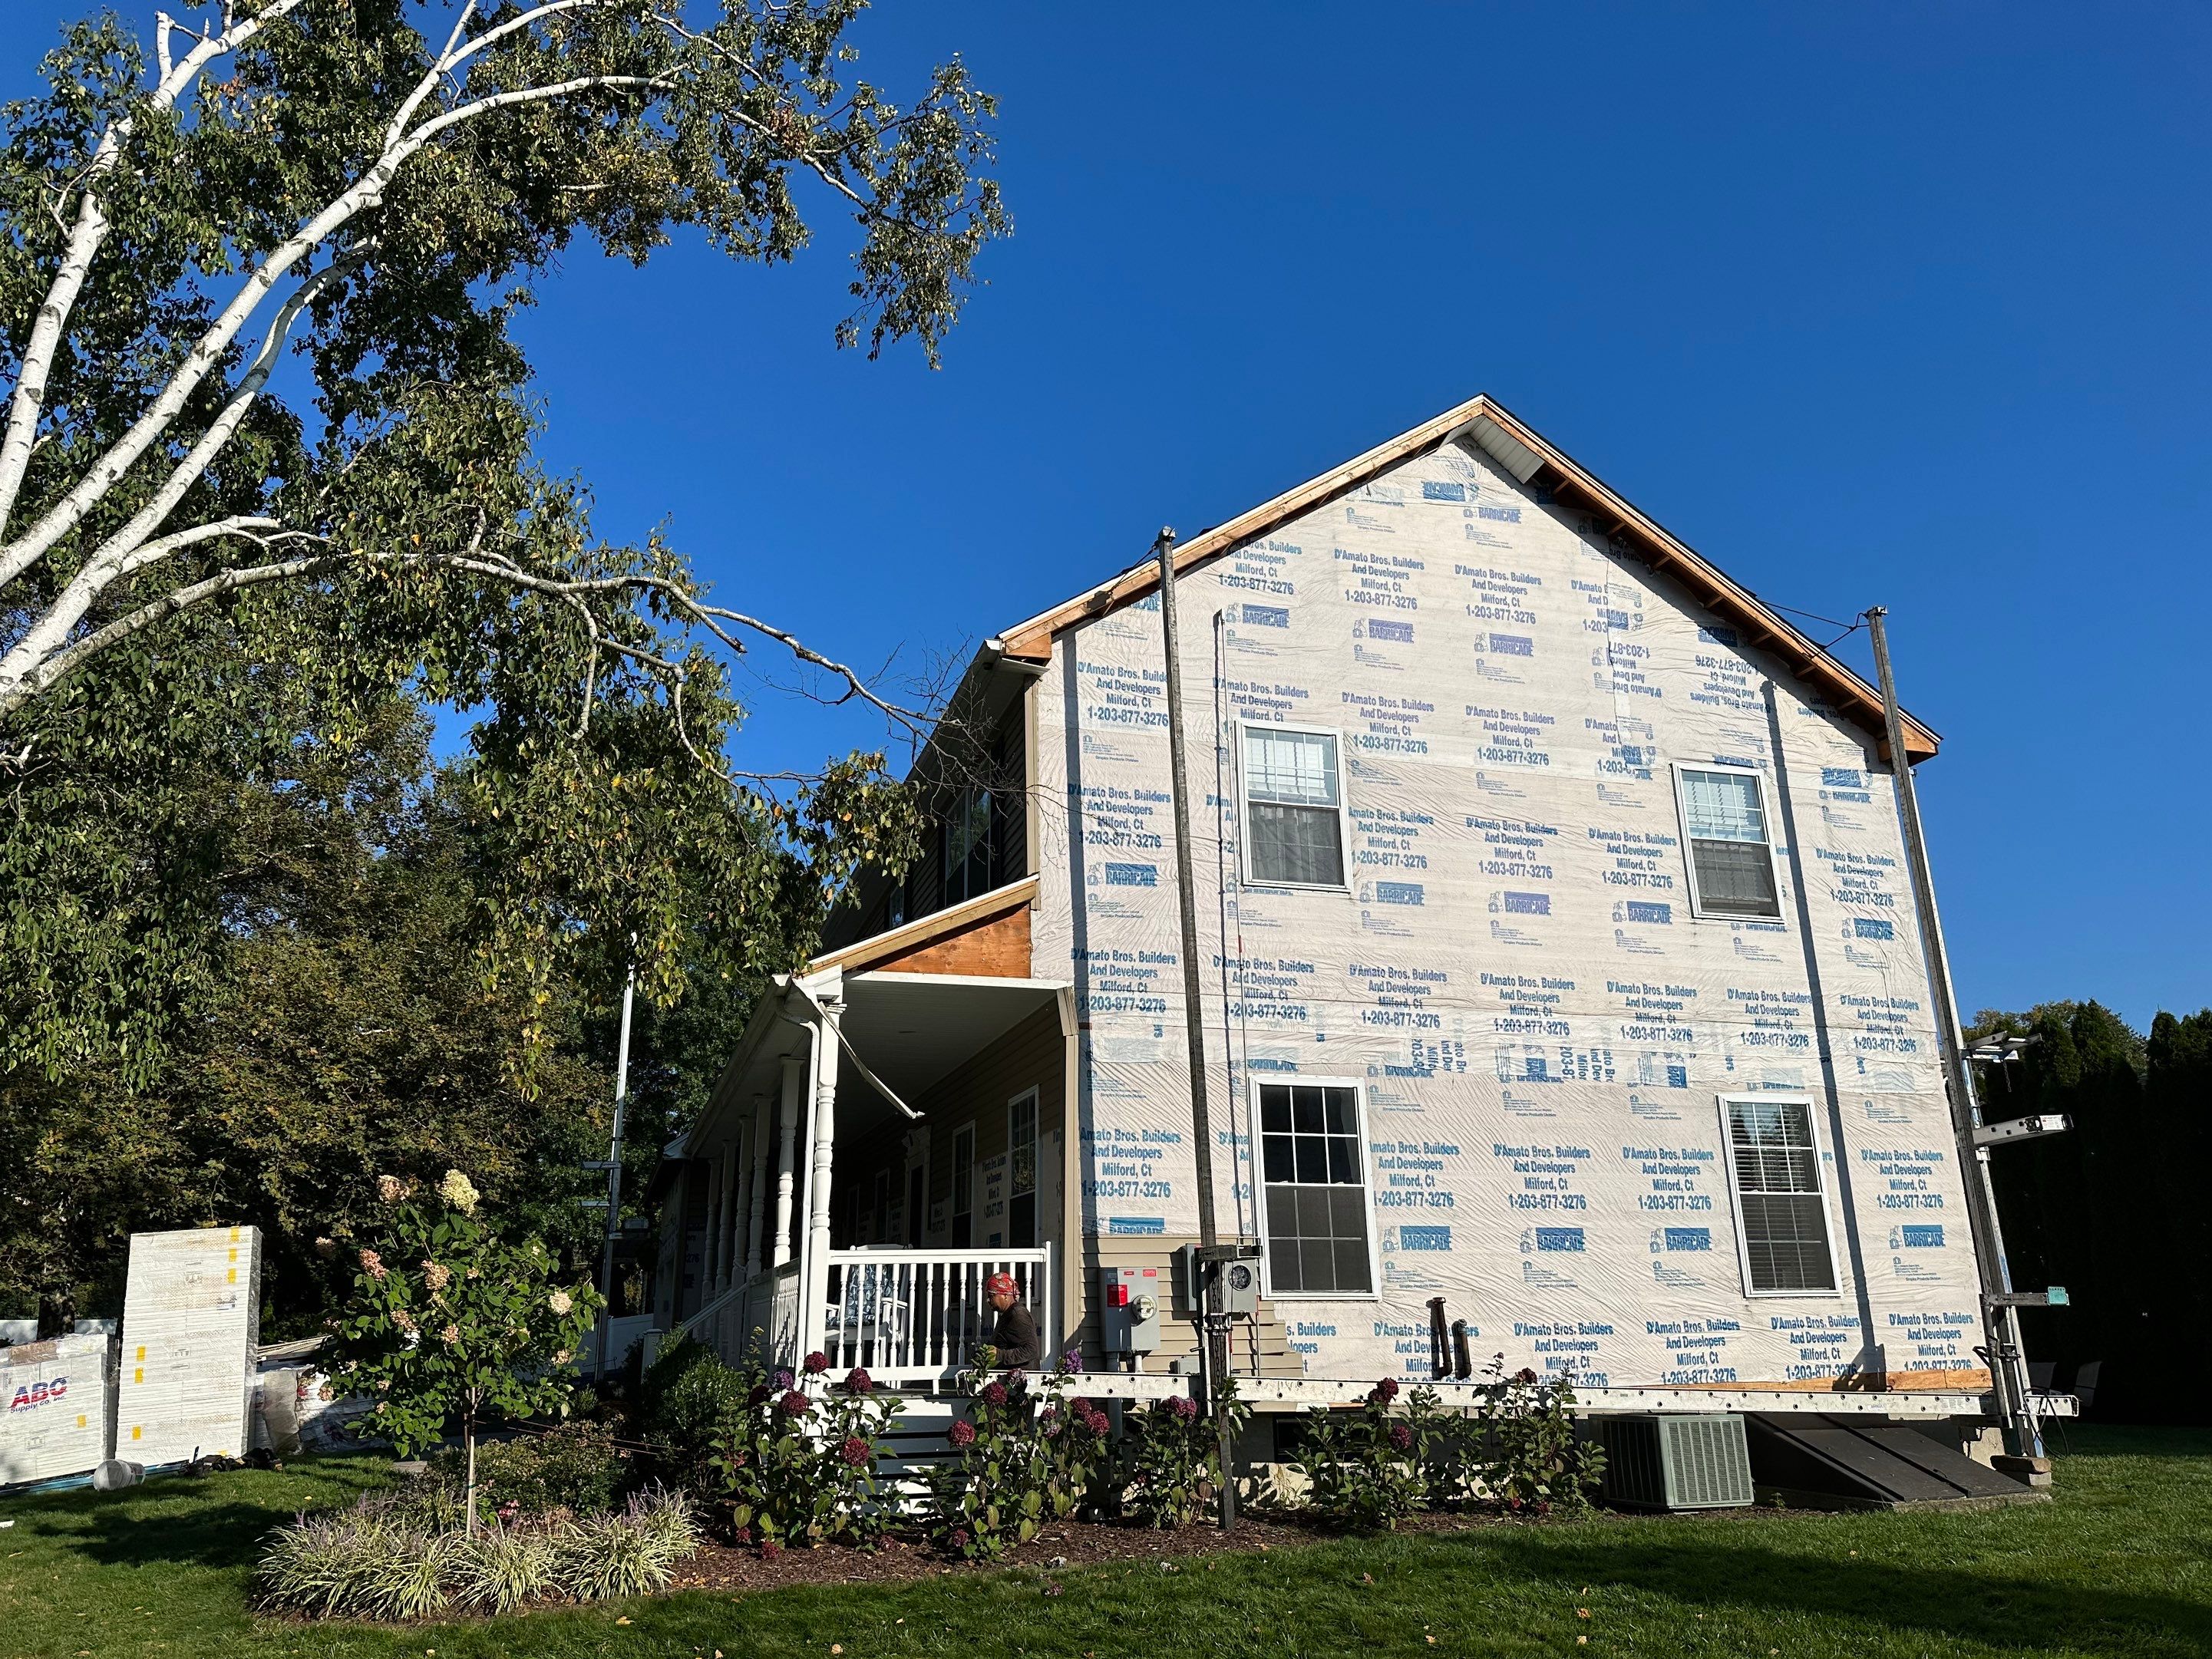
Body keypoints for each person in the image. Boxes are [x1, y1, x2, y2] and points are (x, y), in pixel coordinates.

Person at [983, 1270, 1039, 1370]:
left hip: (1021, 1377)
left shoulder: (1018, 1315)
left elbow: (1031, 1350)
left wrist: (999, 1355)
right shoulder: (1006, 1314)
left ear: (1005, 1295)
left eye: (992, 1296)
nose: (988, 1300)